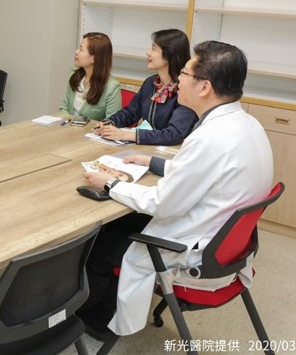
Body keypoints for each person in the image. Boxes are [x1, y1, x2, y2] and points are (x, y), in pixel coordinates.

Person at [79, 41, 274, 352]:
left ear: (204, 87)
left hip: (190, 250)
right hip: (228, 248)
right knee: (121, 226)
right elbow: (207, 173)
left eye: (184, 72)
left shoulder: (209, 138)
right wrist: (154, 162)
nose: (178, 79)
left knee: (98, 243)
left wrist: (109, 184)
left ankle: (94, 321)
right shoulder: (247, 125)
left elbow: (161, 203)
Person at [93, 29, 197, 145]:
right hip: (148, 148)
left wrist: (126, 135)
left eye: (153, 48)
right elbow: (130, 113)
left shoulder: (184, 90)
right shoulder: (150, 83)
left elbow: (173, 135)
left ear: (169, 55)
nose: (148, 53)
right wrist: (109, 123)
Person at [58, 32, 121, 120]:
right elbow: (64, 107)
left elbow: (111, 122)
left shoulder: (112, 86)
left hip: (91, 132)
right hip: (67, 129)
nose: (76, 52)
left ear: (94, 58)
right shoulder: (74, 74)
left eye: (81, 49)